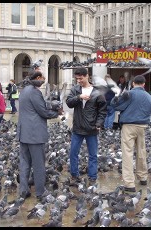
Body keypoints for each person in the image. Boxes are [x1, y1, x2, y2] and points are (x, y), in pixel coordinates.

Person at [16, 70, 64, 201]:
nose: (44, 80)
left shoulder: (24, 90)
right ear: (37, 78)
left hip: (23, 133)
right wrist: (57, 114)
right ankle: (40, 192)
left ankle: (23, 190)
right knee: (38, 164)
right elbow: (43, 111)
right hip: (34, 134)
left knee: (25, 163)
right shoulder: (35, 92)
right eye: (42, 78)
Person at [110, 75, 151, 192]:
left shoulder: (129, 94)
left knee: (127, 153)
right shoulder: (149, 96)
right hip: (142, 126)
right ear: (144, 84)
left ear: (133, 83)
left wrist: (116, 97)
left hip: (129, 126)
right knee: (141, 151)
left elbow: (116, 106)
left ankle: (129, 184)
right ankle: (143, 177)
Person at [66, 67, 107, 185]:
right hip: (77, 128)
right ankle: (74, 175)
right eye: (77, 78)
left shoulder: (97, 92)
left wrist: (99, 124)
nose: (79, 81)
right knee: (73, 153)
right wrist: (79, 97)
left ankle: (92, 177)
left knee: (93, 155)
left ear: (87, 76)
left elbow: (103, 110)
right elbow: (68, 103)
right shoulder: (75, 89)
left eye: (81, 78)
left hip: (92, 128)